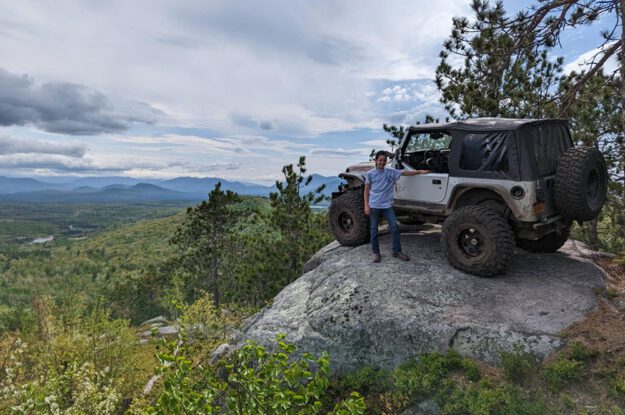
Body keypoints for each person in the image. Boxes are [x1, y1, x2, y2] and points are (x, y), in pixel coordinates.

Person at [364, 150, 430, 263]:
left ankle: (397, 251)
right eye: (380, 160)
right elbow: (366, 191)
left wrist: (419, 171)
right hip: (374, 205)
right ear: (375, 160)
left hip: (387, 205)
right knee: (374, 230)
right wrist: (366, 205)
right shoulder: (370, 174)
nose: (382, 162)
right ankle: (376, 252)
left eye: (384, 160)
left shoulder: (390, 171)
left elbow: (405, 173)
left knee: (394, 228)